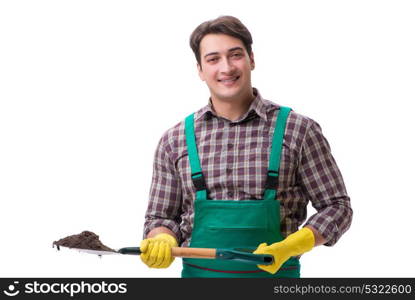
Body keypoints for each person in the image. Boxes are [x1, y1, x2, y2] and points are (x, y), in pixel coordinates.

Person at [140, 15, 352, 278]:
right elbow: (159, 218)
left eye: (235, 55)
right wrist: (161, 238)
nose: (226, 68)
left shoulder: (298, 130)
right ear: (199, 69)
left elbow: (337, 207)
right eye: (213, 59)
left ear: (251, 58)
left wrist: (296, 243)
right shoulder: (175, 141)